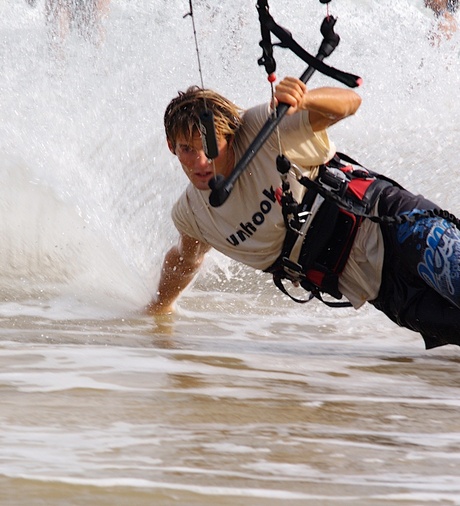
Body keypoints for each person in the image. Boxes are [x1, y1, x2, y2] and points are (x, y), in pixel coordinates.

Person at [148, 76, 460, 350]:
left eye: (210, 146)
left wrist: (305, 98)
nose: (201, 162)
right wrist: (158, 309)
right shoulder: (192, 215)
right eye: (187, 149)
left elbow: (350, 103)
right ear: (170, 146)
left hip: (398, 225)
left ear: (230, 135)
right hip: (382, 290)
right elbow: (184, 259)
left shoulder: (262, 127)